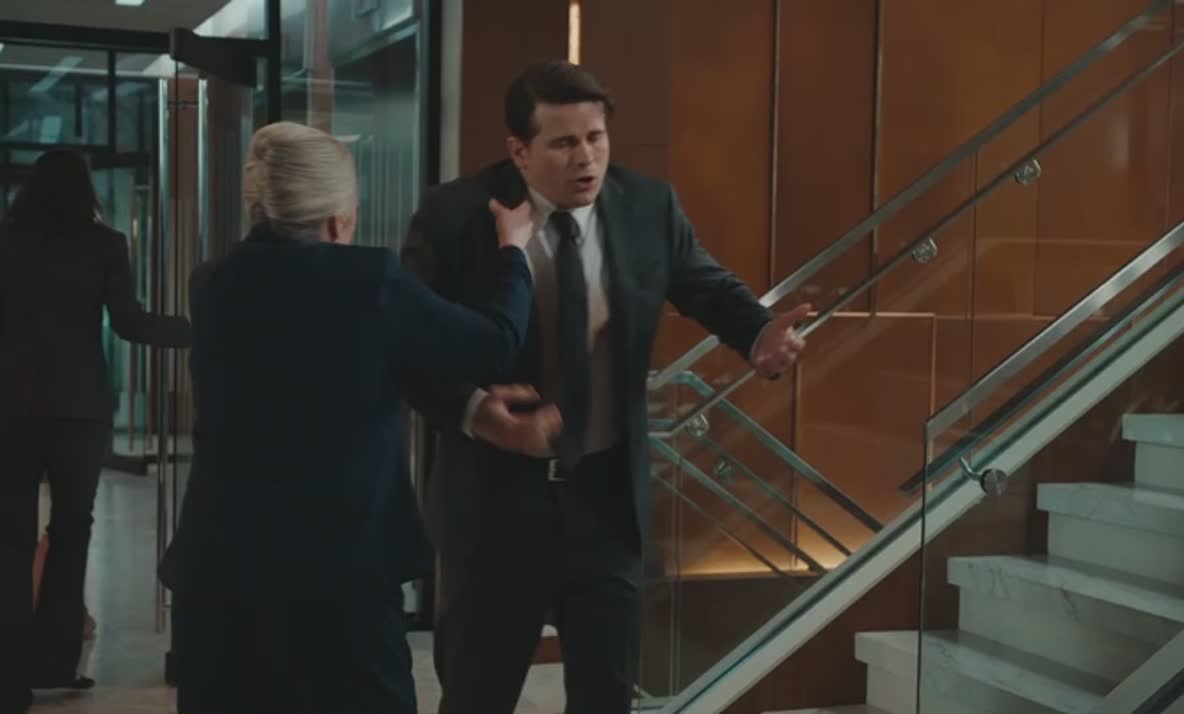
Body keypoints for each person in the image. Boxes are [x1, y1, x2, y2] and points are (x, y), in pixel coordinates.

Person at [401, 59, 810, 714]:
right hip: (495, 507)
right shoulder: (454, 216)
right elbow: (409, 348)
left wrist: (758, 334)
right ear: (519, 150)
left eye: (596, 138)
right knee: (477, 696)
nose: (586, 158)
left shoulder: (647, 206)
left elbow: (706, 286)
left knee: (606, 698)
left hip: (606, 503)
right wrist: (478, 412)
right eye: (564, 143)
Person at [157, 121, 553, 714]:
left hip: (220, 576)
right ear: (339, 219)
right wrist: (512, 250)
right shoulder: (370, 282)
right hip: (339, 575)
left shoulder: (211, 284)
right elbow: (493, 343)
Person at [0, 149, 192, 714]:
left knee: (9, 539)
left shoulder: (5, 242)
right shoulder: (105, 245)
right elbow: (129, 323)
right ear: (85, 190)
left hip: (9, 407)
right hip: (79, 407)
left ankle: (6, 681)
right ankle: (53, 662)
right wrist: (195, 329)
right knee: (71, 530)